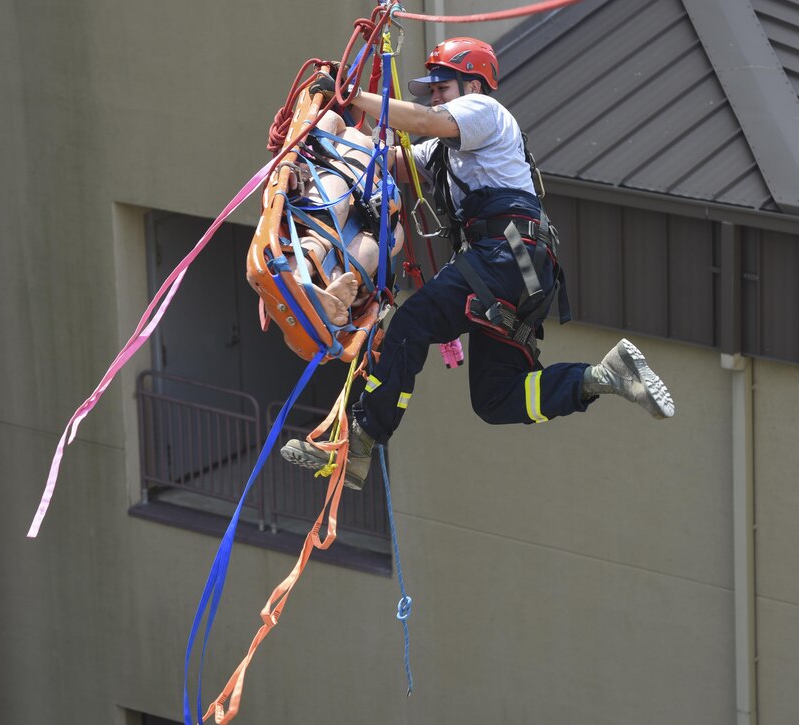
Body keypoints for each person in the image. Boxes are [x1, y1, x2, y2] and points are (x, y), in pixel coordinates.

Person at [281, 38, 675, 489]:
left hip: (508, 253)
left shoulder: (485, 112)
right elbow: (390, 162)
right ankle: (602, 377)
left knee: (412, 322)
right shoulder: (446, 153)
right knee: (497, 398)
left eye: (442, 87)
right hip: (519, 269)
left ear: (472, 84)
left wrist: (350, 94)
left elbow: (426, 121)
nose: (434, 96)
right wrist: (329, 134)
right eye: (431, 89)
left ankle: (363, 440)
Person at [281, 109, 405, 326]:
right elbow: (327, 120)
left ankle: (335, 286)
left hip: (364, 218)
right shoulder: (350, 133)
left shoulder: (386, 173)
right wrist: (298, 156)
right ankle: (299, 274)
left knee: (391, 237)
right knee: (324, 232)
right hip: (336, 181)